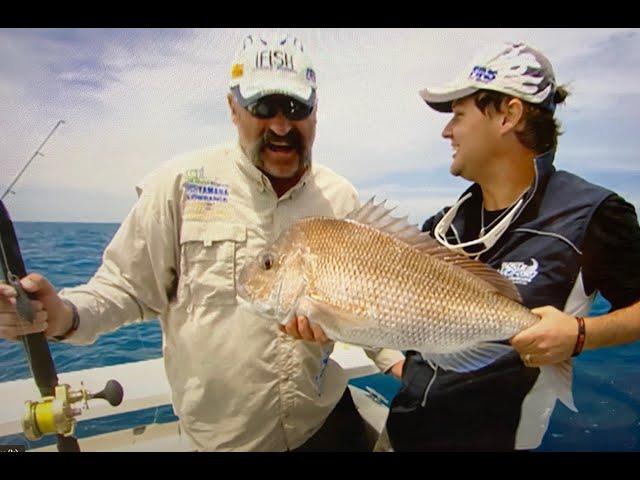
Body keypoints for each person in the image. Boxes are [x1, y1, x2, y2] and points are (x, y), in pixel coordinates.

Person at [0, 32, 404, 452]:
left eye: (296, 108)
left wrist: (401, 360)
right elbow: (123, 288)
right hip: (224, 443)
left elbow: (368, 303)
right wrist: (61, 314)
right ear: (233, 109)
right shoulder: (179, 185)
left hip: (325, 427)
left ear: (315, 112)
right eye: (263, 107)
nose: (281, 125)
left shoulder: (340, 197)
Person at [380, 41, 640, 451]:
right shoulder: (442, 227)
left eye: (459, 115)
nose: (447, 131)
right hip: (397, 438)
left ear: (508, 114)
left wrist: (580, 334)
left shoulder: (595, 215)